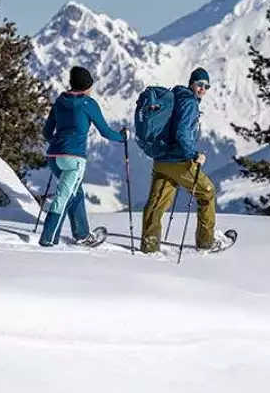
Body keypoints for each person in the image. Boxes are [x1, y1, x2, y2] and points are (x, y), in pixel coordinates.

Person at [140, 67, 227, 253]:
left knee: (157, 203)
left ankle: (149, 245)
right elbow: (182, 132)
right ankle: (206, 242)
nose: (203, 89)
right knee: (207, 194)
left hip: (161, 159)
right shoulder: (189, 103)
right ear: (191, 84)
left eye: (206, 86)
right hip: (179, 161)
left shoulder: (175, 97)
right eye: (200, 84)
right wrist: (193, 154)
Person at [39, 65, 127, 247]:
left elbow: (47, 132)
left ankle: (82, 234)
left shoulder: (60, 101)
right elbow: (105, 131)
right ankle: (47, 240)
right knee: (64, 197)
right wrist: (122, 137)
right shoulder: (88, 104)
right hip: (74, 159)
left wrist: (59, 143)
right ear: (87, 86)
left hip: (54, 157)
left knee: (75, 193)